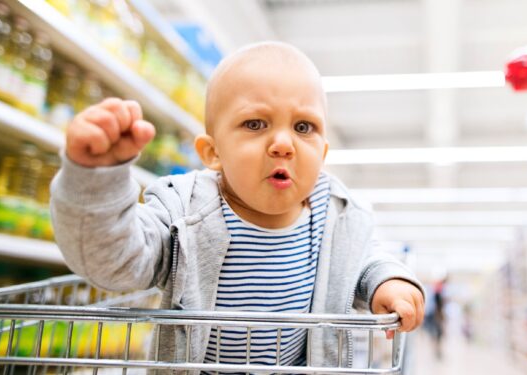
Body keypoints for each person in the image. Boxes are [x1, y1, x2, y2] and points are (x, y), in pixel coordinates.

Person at [50, 41, 425, 370]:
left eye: (304, 128)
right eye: (256, 123)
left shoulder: (337, 219)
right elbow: (115, 261)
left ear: (323, 153)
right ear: (213, 152)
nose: (283, 144)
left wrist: (389, 281)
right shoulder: (183, 212)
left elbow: (365, 260)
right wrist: (96, 180)